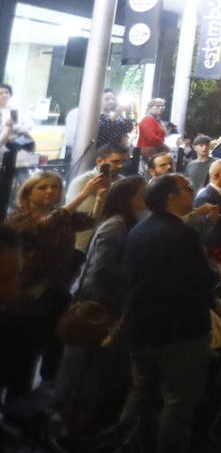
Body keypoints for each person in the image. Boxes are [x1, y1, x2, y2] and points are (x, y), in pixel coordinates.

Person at [118, 174, 218, 452]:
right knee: (179, 402)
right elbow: (201, 279)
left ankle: (121, 443)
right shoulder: (182, 234)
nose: (193, 192)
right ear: (171, 197)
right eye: (187, 188)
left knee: (141, 394)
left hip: (143, 328)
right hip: (179, 332)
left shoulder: (140, 228)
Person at [56, 176, 145, 437]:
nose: (146, 197)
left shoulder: (125, 223)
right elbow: (100, 268)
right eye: (142, 193)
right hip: (98, 303)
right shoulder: (116, 225)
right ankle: (73, 421)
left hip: (105, 300)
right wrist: (134, 273)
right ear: (128, 198)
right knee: (85, 363)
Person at [3, 170, 106, 391]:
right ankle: (17, 395)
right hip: (29, 288)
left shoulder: (60, 214)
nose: (50, 191)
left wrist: (98, 197)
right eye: (42, 187)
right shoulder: (19, 215)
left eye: (55, 187)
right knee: (25, 343)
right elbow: (45, 225)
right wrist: (84, 193)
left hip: (57, 285)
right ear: (28, 193)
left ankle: (47, 388)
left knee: (54, 339)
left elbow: (87, 221)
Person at [67, 142, 129, 251]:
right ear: (100, 162)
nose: (121, 166)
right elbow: (90, 217)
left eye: (124, 161)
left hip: (111, 242)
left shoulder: (122, 181)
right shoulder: (84, 182)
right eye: (115, 162)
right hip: (85, 245)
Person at [135, 98, 167, 172]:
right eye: (158, 106)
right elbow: (151, 138)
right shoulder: (148, 119)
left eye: (162, 106)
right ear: (150, 107)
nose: (161, 108)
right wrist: (163, 145)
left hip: (152, 153)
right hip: (147, 154)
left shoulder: (155, 120)